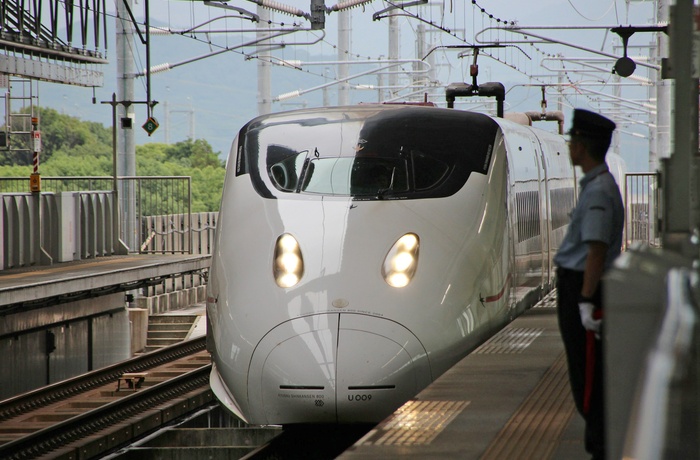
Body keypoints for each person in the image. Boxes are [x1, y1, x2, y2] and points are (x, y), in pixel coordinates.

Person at [554, 109, 624, 460]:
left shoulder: (598, 191)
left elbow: (595, 251)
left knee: (588, 379)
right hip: (583, 286)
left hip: (583, 288)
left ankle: (600, 448)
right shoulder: (598, 186)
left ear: (580, 147)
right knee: (587, 375)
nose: (569, 147)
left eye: (571, 140)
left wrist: (584, 302)